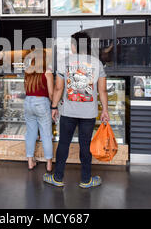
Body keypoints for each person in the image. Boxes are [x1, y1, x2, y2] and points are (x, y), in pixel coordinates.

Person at [43, 32, 109, 189]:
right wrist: (105, 110)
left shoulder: (64, 62)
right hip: (89, 114)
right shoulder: (97, 63)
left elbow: (58, 88)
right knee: (86, 145)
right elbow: (103, 90)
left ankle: (58, 177)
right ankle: (86, 180)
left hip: (68, 112)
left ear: (73, 46)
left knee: (64, 143)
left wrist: (53, 106)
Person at [24, 49, 54, 172]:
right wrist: (54, 105)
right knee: (46, 134)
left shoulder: (27, 72)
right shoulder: (47, 72)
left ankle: (30, 162)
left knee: (31, 133)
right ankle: (49, 165)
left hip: (28, 102)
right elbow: (51, 93)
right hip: (41, 103)